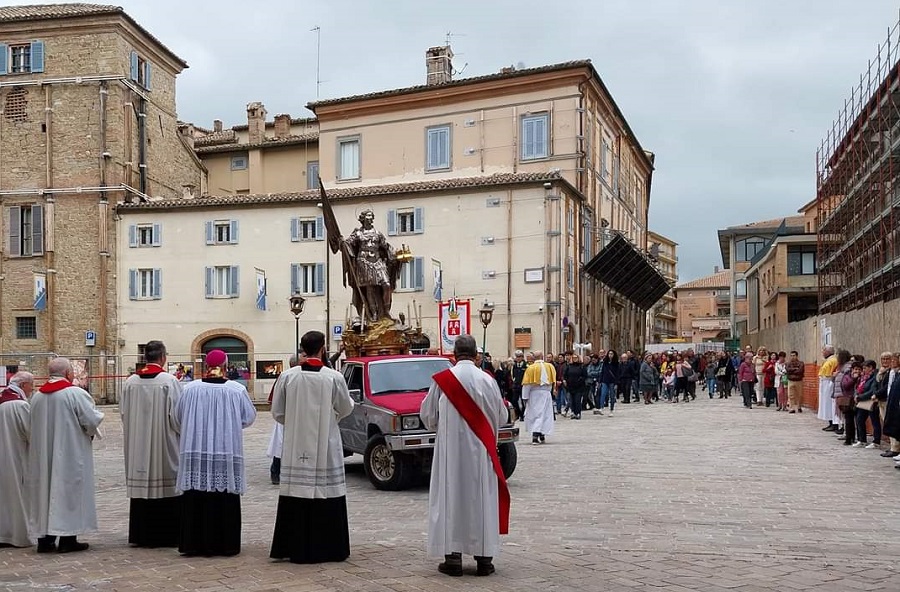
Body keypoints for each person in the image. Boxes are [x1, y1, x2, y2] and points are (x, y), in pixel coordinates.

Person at [421, 334, 509, 577]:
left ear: (454, 354)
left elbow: (428, 417)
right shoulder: (488, 381)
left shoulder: (443, 381)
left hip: (450, 453)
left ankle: (453, 559)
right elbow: (502, 417)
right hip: (482, 452)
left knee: (451, 498)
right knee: (481, 498)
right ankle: (484, 560)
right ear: (476, 355)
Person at [270, 331, 355, 564]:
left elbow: (277, 412)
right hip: (326, 444)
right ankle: (330, 547)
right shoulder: (333, 377)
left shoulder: (288, 376)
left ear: (303, 348)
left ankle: (292, 546)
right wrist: (331, 417)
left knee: (296, 491)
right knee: (326, 490)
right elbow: (346, 407)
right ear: (323, 348)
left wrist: (297, 422)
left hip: (295, 444)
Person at [174, 349, 256, 557]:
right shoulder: (236, 390)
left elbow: (177, 416)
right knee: (224, 496)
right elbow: (248, 417)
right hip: (226, 448)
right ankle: (225, 544)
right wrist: (229, 425)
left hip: (195, 448)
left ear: (205, 366)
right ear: (226, 365)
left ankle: (194, 543)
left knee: (196, 496)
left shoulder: (190, 389)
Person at [28, 358, 104, 553]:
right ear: (68, 374)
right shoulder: (75, 393)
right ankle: (68, 538)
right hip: (70, 452)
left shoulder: (36, 397)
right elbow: (91, 419)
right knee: (69, 492)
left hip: (43, 455)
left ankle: (45, 539)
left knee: (45, 492)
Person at [120, 340, 183, 548]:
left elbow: (123, 413)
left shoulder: (130, 382)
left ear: (145, 357)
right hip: (163, 442)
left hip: (137, 442)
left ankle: (141, 534)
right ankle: (167, 535)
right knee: (166, 482)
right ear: (163, 357)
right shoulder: (169, 381)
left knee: (142, 483)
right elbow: (177, 416)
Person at [343, 209, 400, 321]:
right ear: (363, 218)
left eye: (371, 216)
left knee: (386, 285)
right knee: (370, 288)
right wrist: (342, 242)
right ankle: (374, 313)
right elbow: (348, 244)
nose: (369, 218)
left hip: (377, 261)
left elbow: (386, 246)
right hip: (363, 261)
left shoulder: (378, 233)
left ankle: (386, 311)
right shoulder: (357, 233)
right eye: (367, 216)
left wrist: (396, 255)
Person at [0, 372, 34, 548]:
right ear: (23, 385)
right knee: (17, 494)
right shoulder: (19, 405)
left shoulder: (2, 400)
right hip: (16, 456)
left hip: (3, 456)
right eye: (31, 385)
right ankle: (17, 535)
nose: (32, 389)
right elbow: (32, 433)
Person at [267, 354, 302, 485]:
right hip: (285, 417)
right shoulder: (285, 377)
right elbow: (274, 400)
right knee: (281, 446)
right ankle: (275, 472)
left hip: (299, 417)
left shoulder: (303, 376)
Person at [521, 351, 556, 444]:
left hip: (534, 394)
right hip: (546, 393)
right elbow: (552, 382)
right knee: (545, 414)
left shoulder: (530, 368)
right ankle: (541, 434)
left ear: (534, 357)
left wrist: (525, 397)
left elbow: (526, 385)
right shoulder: (550, 367)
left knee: (535, 414)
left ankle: (536, 434)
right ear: (542, 356)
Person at [818, 345, 839, 431]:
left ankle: (834, 424)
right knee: (826, 404)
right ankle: (830, 422)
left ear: (828, 351)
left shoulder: (833, 360)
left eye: (824, 351)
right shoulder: (828, 360)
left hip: (829, 383)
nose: (822, 353)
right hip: (824, 382)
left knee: (830, 404)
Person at [563, 354, 587, 420]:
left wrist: (580, 380)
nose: (574, 359)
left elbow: (585, 375)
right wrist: (565, 380)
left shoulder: (581, 366)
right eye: (573, 358)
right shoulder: (569, 366)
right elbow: (565, 375)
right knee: (571, 400)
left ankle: (578, 413)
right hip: (570, 386)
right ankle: (573, 412)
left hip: (579, 386)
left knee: (577, 400)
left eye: (576, 358)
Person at [509, 350, 527, 418]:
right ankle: (518, 413)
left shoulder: (526, 365)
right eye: (517, 357)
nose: (518, 358)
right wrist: (514, 381)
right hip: (516, 385)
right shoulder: (514, 365)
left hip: (523, 385)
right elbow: (512, 375)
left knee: (523, 401)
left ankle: (522, 414)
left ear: (522, 357)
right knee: (514, 400)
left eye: (519, 357)